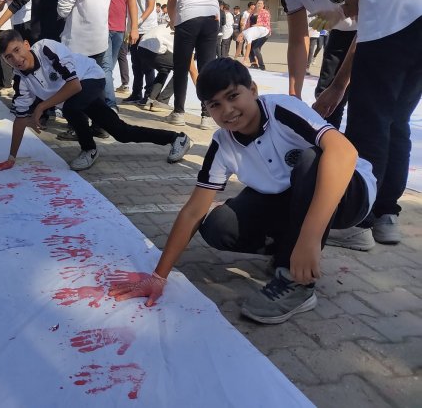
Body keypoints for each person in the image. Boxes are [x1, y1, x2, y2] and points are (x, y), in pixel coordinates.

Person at [108, 58, 376, 324]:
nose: (227, 110)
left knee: (310, 160)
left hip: (350, 192)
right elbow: (193, 212)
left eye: (233, 96)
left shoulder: (282, 109)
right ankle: (290, 249)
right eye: (215, 105)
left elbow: (344, 152)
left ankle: (297, 282)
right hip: (292, 199)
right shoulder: (222, 143)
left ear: (254, 90)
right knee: (218, 225)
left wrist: (309, 240)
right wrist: (158, 275)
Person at [341, 0, 422, 245]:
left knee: (369, 119)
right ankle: (387, 215)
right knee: (398, 121)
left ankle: (358, 221)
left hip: (390, 16)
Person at [0, 30, 192, 172]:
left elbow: (74, 86)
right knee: (122, 132)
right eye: (8, 57)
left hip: (90, 77)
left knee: (71, 107)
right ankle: (177, 138)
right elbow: (19, 120)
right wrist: (11, 158)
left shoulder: (46, 49)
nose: (16, 59)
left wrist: (43, 106)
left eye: (17, 50)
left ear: (26, 45)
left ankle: (89, 148)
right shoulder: (22, 80)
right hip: (75, 94)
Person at [252, 0, 357, 120]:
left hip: (387, 25)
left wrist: (339, 86)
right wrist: (294, 96)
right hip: (343, 30)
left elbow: (372, 23)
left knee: (367, 101)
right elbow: (298, 40)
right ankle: (323, 145)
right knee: (325, 100)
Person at [56, 0, 113, 141]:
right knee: (97, 85)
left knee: (74, 86)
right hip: (99, 40)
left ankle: (76, 127)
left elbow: (63, 10)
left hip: (77, 42)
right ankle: (100, 124)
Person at [163, 0, 219, 129]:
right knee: (206, 67)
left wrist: (172, 20)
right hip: (212, 17)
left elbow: (172, 0)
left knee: (181, 65)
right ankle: (207, 116)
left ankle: (179, 112)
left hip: (188, 17)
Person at [97, 0, 138, 110]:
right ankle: (111, 106)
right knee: (105, 68)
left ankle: (97, 105)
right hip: (100, 28)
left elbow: (131, 0)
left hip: (119, 29)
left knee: (105, 71)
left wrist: (134, 27)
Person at [123, 0, 157, 104]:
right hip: (133, 30)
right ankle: (136, 93)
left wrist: (139, 21)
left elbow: (150, 6)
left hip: (147, 29)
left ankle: (149, 95)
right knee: (135, 64)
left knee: (147, 66)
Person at [241, 0, 271, 70]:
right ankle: (254, 64)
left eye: (261, 3)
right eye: (258, 3)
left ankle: (262, 66)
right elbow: (248, 24)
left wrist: (258, 24)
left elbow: (266, 23)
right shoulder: (252, 13)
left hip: (263, 33)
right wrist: (244, 31)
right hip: (253, 33)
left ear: (263, 5)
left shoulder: (265, 12)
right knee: (248, 48)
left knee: (256, 48)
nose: (259, 4)